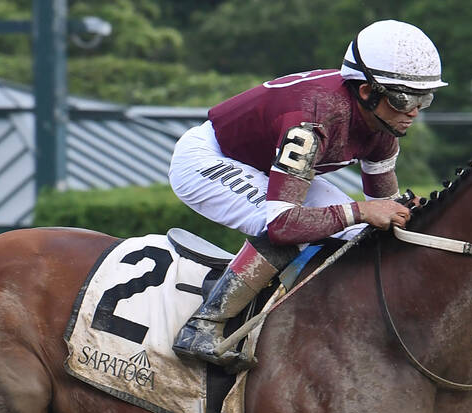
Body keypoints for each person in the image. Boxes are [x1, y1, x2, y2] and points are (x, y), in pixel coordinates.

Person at [168, 19, 446, 371]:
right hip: (209, 158)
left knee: (367, 229)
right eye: (404, 97)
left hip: (265, 164)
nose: (413, 111)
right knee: (287, 227)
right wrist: (361, 211)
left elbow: (384, 205)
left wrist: (405, 213)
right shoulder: (313, 121)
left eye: (425, 98)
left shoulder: (383, 126)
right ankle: (203, 326)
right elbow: (283, 224)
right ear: (366, 91)